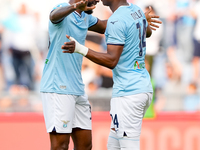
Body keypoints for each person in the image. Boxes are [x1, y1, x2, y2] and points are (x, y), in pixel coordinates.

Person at [40, 0, 161, 149]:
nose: (98, 0)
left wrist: (136, 18)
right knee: (61, 146)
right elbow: (53, 16)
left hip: (78, 88)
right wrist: (74, 7)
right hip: (57, 87)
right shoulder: (62, 10)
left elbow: (106, 26)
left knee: (86, 145)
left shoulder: (85, 16)